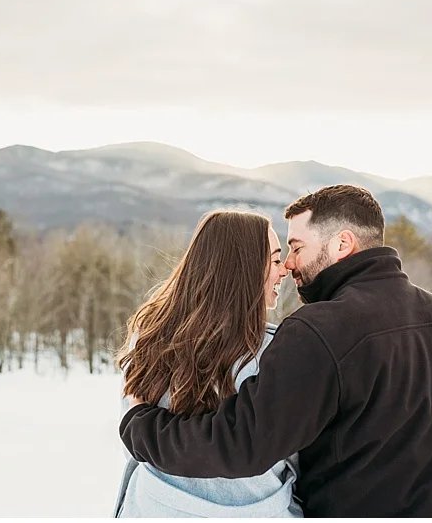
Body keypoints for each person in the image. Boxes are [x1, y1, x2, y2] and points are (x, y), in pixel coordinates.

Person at [118, 185, 432, 517]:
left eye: (296, 247)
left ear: (342, 242)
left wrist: (139, 423)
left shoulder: (320, 329)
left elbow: (240, 443)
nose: (289, 264)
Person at [112, 209, 301, 517]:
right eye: (276, 259)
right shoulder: (279, 353)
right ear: (245, 267)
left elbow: (133, 443)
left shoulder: (151, 341)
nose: (284, 271)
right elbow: (294, 454)